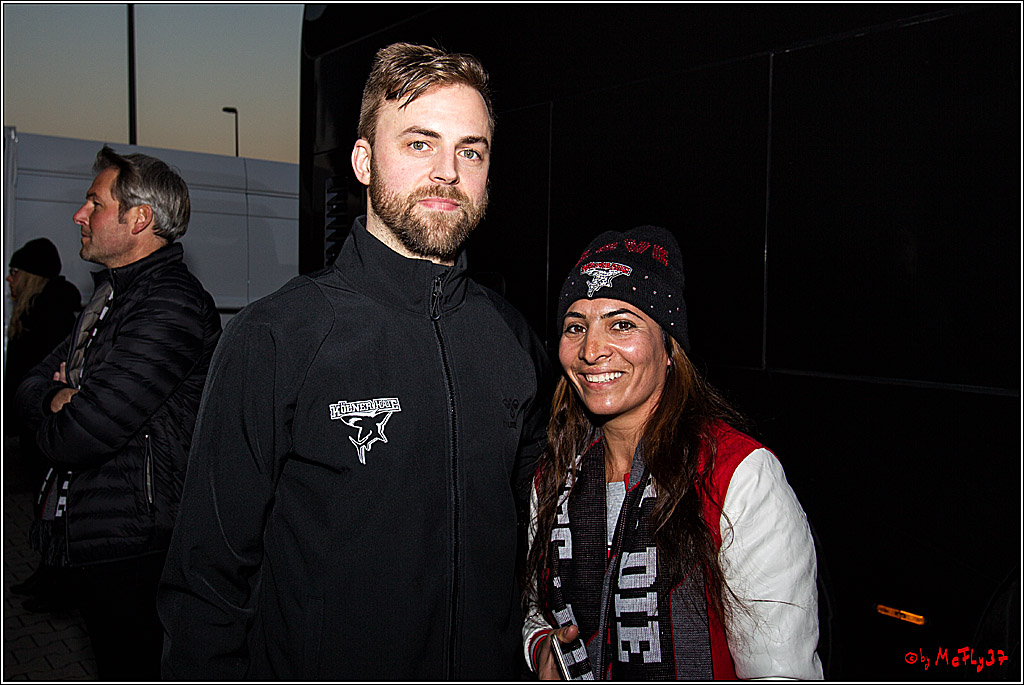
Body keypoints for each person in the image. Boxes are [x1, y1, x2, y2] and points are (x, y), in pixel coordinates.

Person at [158, 42, 549, 680]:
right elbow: (206, 579)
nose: (448, 172)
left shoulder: (511, 339)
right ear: (364, 161)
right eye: (420, 144)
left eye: (470, 150)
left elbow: (534, 533)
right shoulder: (276, 337)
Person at [522, 226, 822, 680]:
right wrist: (541, 647)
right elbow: (535, 610)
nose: (591, 350)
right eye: (575, 326)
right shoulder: (554, 476)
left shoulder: (738, 475)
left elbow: (781, 671)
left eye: (622, 323)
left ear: (668, 349)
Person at [15, 146, 221, 680]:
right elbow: (29, 382)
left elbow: (77, 435)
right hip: (98, 530)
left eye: (95, 203)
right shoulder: (109, 297)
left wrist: (66, 402)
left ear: (139, 219)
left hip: (137, 543)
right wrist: (50, 398)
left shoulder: (169, 304)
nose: (80, 216)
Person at [4, 237, 81, 607]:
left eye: (14, 272)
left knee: (53, 507)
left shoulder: (50, 314)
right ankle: (45, 574)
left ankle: (57, 583)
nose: (8, 280)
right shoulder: (34, 311)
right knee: (42, 505)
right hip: (34, 425)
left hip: (46, 428)